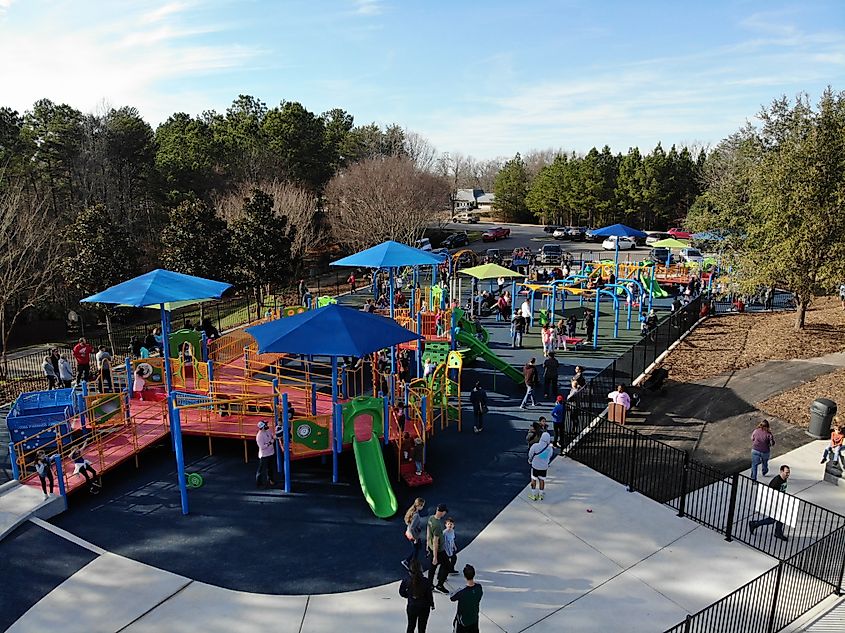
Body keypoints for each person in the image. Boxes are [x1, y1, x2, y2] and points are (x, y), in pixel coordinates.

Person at [749, 465, 791, 541]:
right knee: (771, 520)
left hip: (780, 502)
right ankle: (754, 524)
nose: (788, 474)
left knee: (782, 518)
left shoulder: (784, 479)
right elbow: (769, 493)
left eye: (788, 473)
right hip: (774, 503)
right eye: (786, 472)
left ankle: (778, 532)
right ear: (781, 471)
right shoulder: (776, 481)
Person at [399, 558, 435, 633]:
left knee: (411, 626)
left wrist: (408, 596)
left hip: (412, 606)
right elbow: (429, 595)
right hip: (424, 607)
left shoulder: (407, 580)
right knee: (422, 628)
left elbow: (401, 592)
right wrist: (432, 604)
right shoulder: (425, 581)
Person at [450, 564, 483, 633]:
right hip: (474, 619)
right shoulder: (479, 587)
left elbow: (452, 597)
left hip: (462, 622)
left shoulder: (461, 592)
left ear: (465, 576)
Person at [426, 503, 449, 593]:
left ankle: (429, 584)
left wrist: (427, 544)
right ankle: (440, 584)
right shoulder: (438, 525)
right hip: (438, 550)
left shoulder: (431, 518)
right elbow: (436, 541)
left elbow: (428, 531)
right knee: (446, 565)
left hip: (431, 547)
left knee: (432, 568)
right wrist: (435, 556)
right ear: (442, 512)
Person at [528, 423, 553, 501]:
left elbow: (530, 454)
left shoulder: (535, 446)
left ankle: (533, 495)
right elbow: (549, 457)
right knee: (542, 480)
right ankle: (541, 495)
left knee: (533, 479)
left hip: (535, 466)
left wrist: (530, 460)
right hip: (544, 467)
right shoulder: (550, 449)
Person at [402, 497, 427, 570]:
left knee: (417, 548)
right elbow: (412, 528)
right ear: (419, 505)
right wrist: (415, 538)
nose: (423, 507)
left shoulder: (411, 511)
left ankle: (408, 561)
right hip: (413, 535)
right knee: (416, 550)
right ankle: (410, 563)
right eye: (422, 506)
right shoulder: (416, 515)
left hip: (409, 533)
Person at [255, 420, 277, 488]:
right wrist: (270, 442)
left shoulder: (268, 431)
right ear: (263, 427)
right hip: (264, 455)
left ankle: (271, 479)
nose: (267, 425)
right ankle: (259, 483)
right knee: (261, 470)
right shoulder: (259, 436)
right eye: (266, 425)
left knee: (270, 468)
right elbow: (262, 447)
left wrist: (273, 439)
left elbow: (272, 437)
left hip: (271, 453)